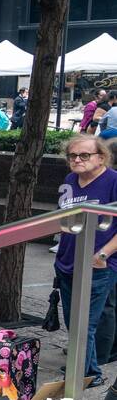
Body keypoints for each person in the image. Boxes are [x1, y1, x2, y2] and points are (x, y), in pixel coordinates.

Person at [53, 136, 117, 386]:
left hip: (97, 265)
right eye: (72, 156)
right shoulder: (70, 181)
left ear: (101, 157)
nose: (77, 160)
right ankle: (85, 368)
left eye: (84, 155)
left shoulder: (113, 181)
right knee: (73, 321)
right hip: (67, 261)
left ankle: (89, 374)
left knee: (85, 323)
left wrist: (103, 255)